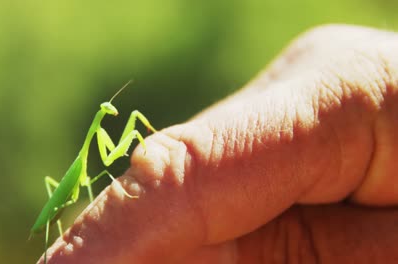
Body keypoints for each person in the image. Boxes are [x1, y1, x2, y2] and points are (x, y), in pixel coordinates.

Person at [39, 25, 398, 263]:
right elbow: (94, 173)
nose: (112, 111)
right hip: (58, 210)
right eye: (108, 110)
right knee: (71, 192)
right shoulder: (88, 155)